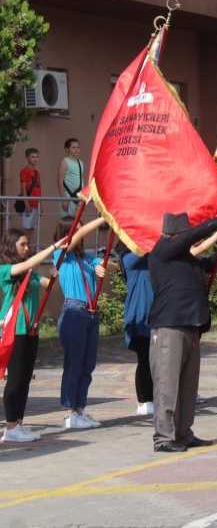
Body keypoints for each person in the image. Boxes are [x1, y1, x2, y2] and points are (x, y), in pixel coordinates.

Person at [147, 207, 217, 452]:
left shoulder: (188, 261)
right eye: (185, 234)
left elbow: (209, 265)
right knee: (167, 385)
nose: (190, 239)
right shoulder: (161, 252)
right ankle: (163, 438)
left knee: (187, 386)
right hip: (169, 326)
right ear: (173, 235)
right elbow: (190, 238)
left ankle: (183, 433)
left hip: (192, 326)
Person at [1, 229, 63, 443]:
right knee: (15, 379)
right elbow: (27, 264)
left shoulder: (30, 273)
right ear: (11, 246)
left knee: (25, 379)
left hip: (31, 330)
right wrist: (53, 247)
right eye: (23, 244)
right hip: (14, 330)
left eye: (28, 244)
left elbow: (49, 284)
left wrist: (55, 272)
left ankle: (18, 423)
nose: (27, 248)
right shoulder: (5, 270)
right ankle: (10, 427)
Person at [52, 217, 107, 429]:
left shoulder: (87, 257)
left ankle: (80, 408)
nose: (82, 236)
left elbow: (104, 265)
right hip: (74, 312)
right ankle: (71, 412)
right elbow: (72, 241)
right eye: (78, 231)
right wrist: (102, 217)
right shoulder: (61, 255)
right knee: (74, 363)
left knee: (88, 364)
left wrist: (103, 267)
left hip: (91, 313)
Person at [117, 243, 155, 416]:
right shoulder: (128, 258)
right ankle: (145, 400)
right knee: (145, 359)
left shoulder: (149, 256)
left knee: (157, 361)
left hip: (156, 313)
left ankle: (155, 397)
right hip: (138, 314)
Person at [58, 138, 84, 220]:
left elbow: (81, 180)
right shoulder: (65, 162)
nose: (76, 150)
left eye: (78, 147)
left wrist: (83, 197)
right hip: (68, 197)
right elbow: (60, 181)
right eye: (73, 147)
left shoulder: (80, 162)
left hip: (79, 197)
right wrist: (64, 199)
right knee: (67, 222)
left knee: (77, 222)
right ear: (67, 149)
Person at [18, 148, 42, 233]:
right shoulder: (24, 171)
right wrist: (26, 203)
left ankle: (28, 243)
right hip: (29, 204)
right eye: (32, 157)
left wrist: (40, 204)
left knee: (32, 229)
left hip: (36, 204)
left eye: (37, 157)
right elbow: (23, 188)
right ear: (27, 158)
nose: (35, 159)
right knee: (26, 229)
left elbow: (39, 189)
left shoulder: (37, 172)